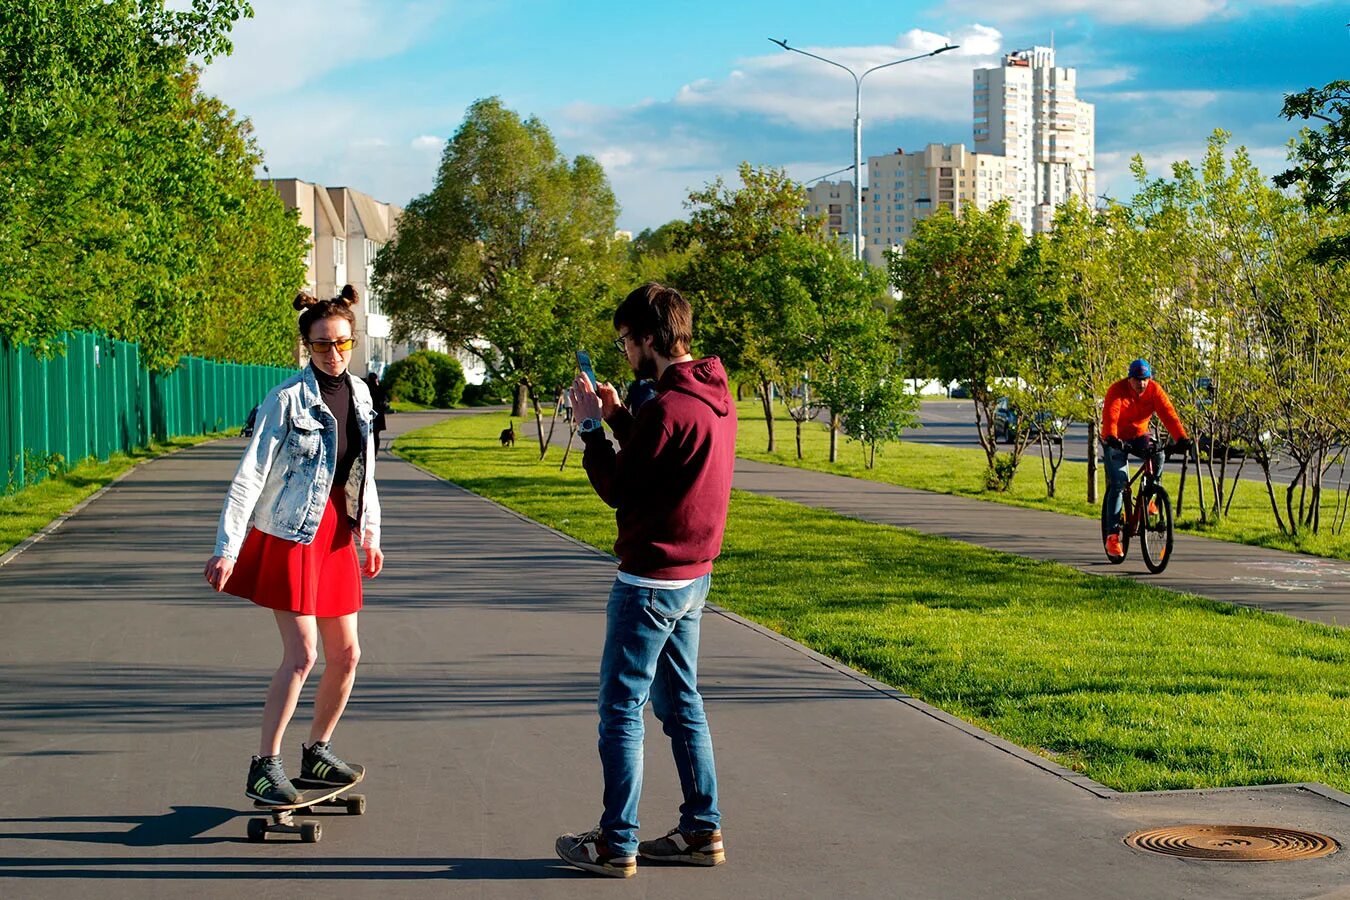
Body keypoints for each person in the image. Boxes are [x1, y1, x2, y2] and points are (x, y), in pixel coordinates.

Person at [555, 283, 736, 879]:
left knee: (622, 709)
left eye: (628, 342)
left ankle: (615, 844)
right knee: (681, 703)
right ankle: (701, 831)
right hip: (693, 578)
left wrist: (588, 430)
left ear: (651, 339)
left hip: (649, 583)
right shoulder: (709, 394)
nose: (626, 353)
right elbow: (660, 457)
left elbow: (620, 489)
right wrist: (619, 416)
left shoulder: (666, 408)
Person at [203, 284, 384, 805]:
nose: (335, 354)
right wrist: (227, 547)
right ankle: (265, 764)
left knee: (347, 655)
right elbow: (250, 475)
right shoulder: (284, 400)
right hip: (290, 535)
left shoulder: (363, 395)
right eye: (324, 345)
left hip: (336, 534)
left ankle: (317, 752)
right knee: (303, 654)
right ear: (307, 345)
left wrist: (369, 534)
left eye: (344, 344)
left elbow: (364, 474)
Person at [1101, 358, 1190, 557]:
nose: (1142, 384)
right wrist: (1111, 437)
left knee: (1158, 454)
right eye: (1138, 380)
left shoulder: (1154, 390)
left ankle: (1150, 495)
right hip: (1116, 438)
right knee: (1119, 483)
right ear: (1129, 379)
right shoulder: (1117, 390)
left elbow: (1168, 414)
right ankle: (1113, 536)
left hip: (1140, 435)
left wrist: (1181, 438)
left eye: (1146, 379)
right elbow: (1111, 416)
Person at [364, 371, 389, 454]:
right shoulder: (380, 389)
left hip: (369, 414)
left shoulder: (366, 389)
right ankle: (375, 452)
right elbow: (385, 400)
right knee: (376, 435)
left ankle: (370, 452)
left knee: (369, 435)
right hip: (378, 415)